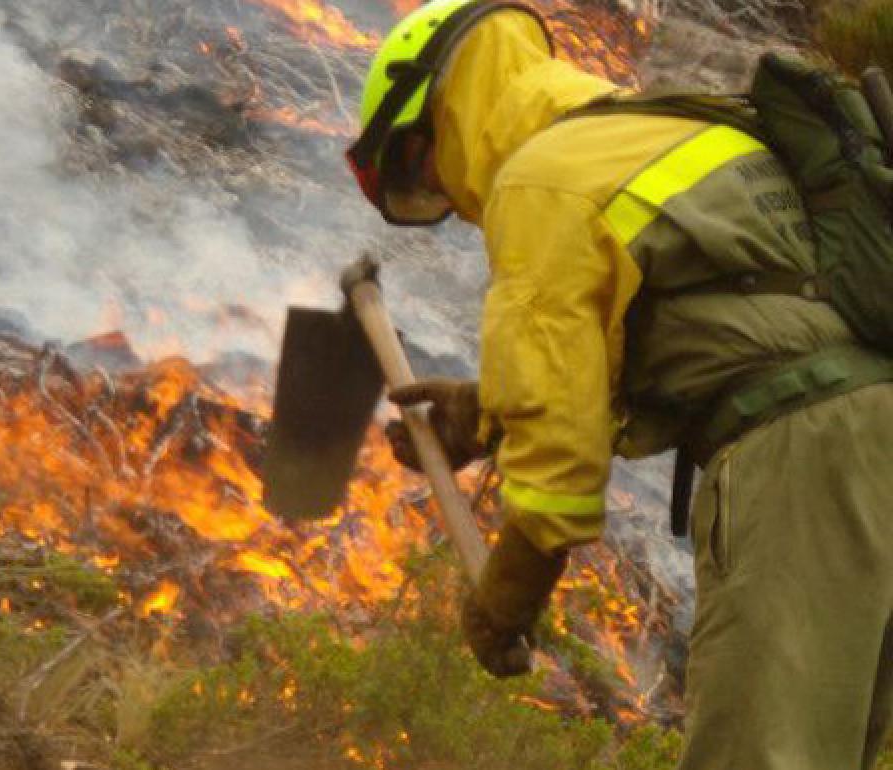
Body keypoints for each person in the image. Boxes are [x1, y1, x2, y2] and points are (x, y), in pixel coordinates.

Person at [347, 1, 893, 768]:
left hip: (801, 457)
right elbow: (725, 322)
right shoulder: (659, 127)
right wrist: (479, 415)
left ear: (438, 116)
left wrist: (502, 603)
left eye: (414, 171)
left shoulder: (540, 180)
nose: (440, 194)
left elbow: (560, 466)